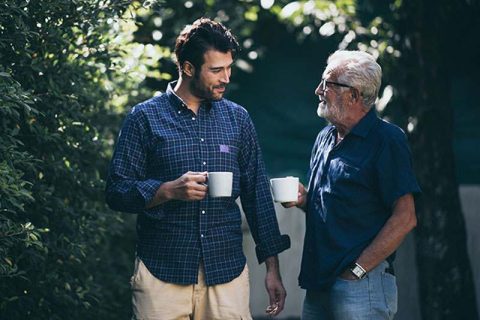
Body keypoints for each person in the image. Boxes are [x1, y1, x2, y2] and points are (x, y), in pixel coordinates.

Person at [105, 18, 290, 319]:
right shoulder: (145, 118)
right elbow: (116, 191)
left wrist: (273, 268)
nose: (226, 77)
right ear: (188, 68)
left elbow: (257, 195)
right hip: (162, 270)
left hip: (226, 271)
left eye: (229, 67)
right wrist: (166, 190)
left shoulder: (238, 120)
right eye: (216, 70)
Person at [283, 50, 421, 320]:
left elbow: (406, 217)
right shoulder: (324, 137)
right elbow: (336, 209)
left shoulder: (387, 140)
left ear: (354, 95)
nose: (317, 90)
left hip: (361, 283)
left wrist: (357, 270)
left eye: (327, 84)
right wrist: (304, 200)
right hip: (319, 281)